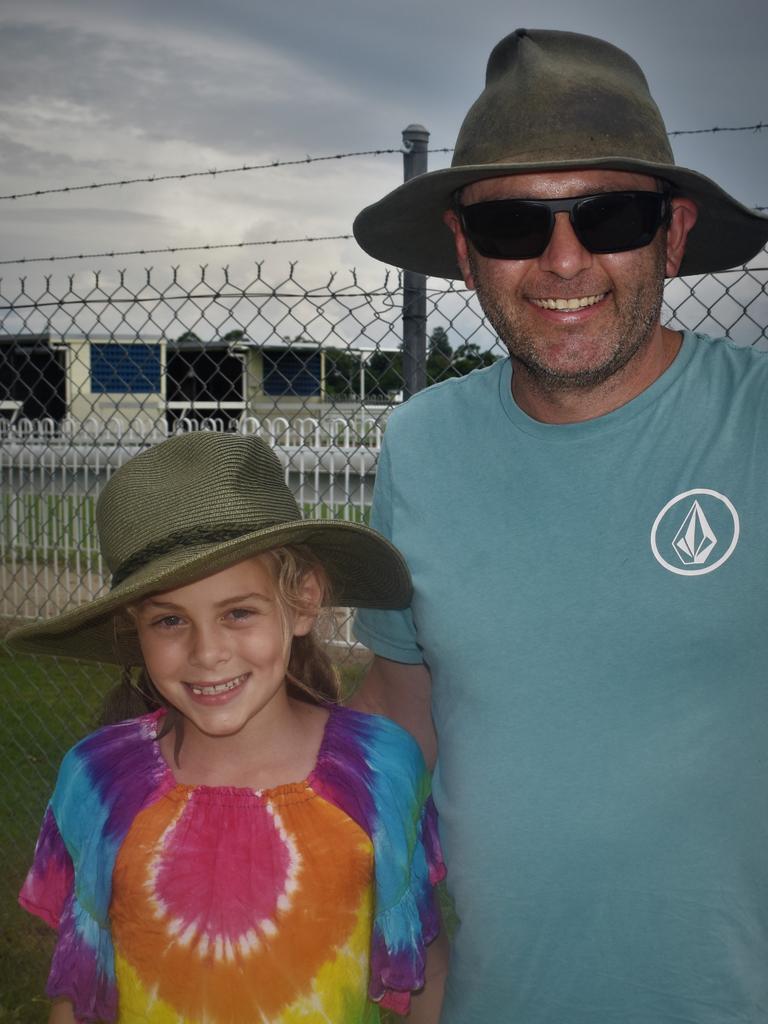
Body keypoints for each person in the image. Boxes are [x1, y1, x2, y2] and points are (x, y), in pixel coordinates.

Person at [351, 27, 768, 1024]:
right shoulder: (421, 444)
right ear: (463, 248)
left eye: (609, 214)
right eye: (513, 227)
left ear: (672, 231)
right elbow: (400, 710)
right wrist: (400, 945)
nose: (563, 259)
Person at [10, 431, 447, 1024]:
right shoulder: (96, 779)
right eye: (169, 621)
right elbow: (79, 983)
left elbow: (421, 965)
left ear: (302, 600)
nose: (207, 652)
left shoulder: (381, 769)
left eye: (238, 612)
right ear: (132, 628)